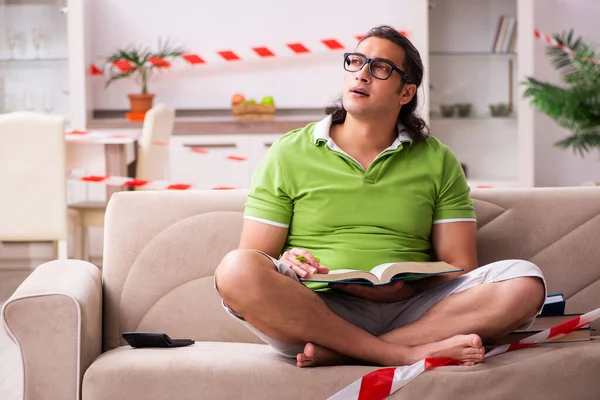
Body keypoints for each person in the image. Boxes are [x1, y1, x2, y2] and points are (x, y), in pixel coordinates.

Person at [214, 25, 546, 368]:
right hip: (317, 314)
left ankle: (347, 352)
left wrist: (404, 291)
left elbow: (458, 271)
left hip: (416, 313)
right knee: (236, 269)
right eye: (356, 62)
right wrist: (290, 259)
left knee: (525, 282)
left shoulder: (437, 159)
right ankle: (399, 354)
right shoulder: (288, 152)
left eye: (380, 67)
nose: (362, 74)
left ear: (406, 93)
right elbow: (257, 256)